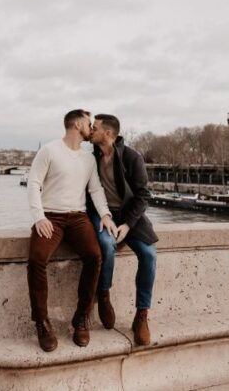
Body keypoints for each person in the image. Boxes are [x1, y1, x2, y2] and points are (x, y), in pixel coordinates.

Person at [26, 109, 119, 352]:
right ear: (78, 124)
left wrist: (106, 215)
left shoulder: (88, 159)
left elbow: (96, 191)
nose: (91, 127)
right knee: (37, 259)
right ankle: (41, 322)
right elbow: (33, 183)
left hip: (78, 217)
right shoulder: (48, 150)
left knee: (94, 256)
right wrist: (39, 217)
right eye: (89, 123)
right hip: (51, 217)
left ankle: (81, 318)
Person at [87, 114, 158, 346]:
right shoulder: (91, 157)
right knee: (107, 246)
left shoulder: (131, 157)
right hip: (102, 214)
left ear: (107, 133)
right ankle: (104, 295)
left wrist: (127, 224)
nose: (90, 130)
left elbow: (143, 195)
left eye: (94, 127)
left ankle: (141, 315)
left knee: (148, 255)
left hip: (130, 217)